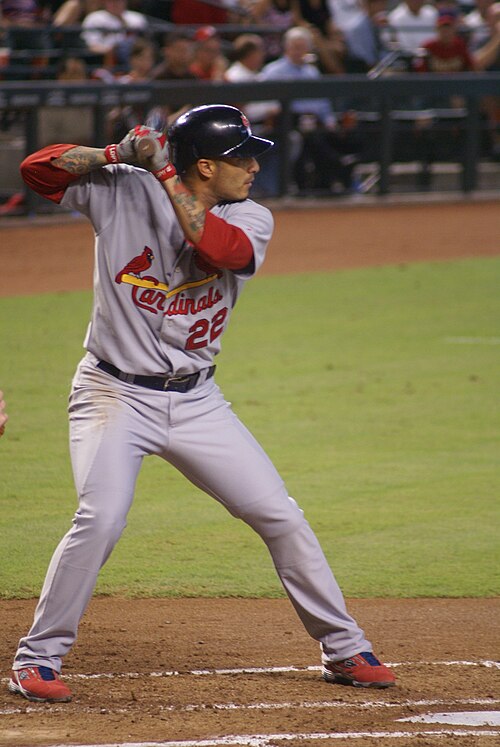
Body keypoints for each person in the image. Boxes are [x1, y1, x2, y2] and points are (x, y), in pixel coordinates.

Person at [8, 103, 396, 703]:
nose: (254, 166)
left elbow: (220, 251)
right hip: (112, 393)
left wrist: (163, 174)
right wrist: (114, 155)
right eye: (243, 156)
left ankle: (344, 648)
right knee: (101, 518)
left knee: (279, 515)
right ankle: (37, 659)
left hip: (197, 402)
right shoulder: (122, 190)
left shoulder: (251, 216)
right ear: (207, 166)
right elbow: (35, 172)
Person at [259, 26, 359, 193]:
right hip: (285, 124)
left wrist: (329, 122)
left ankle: (327, 181)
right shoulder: (273, 71)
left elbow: (322, 103)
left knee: (335, 133)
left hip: (315, 122)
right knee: (307, 135)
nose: (299, 51)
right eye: (295, 47)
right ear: (287, 47)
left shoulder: (311, 71)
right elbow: (267, 104)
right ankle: (338, 166)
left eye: (302, 47)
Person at [81, 0, 148, 69]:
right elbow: (92, 46)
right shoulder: (94, 18)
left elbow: (144, 43)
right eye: (112, 1)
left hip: (133, 53)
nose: (116, 4)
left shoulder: (137, 18)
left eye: (119, 1)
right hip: (107, 56)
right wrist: (110, 50)